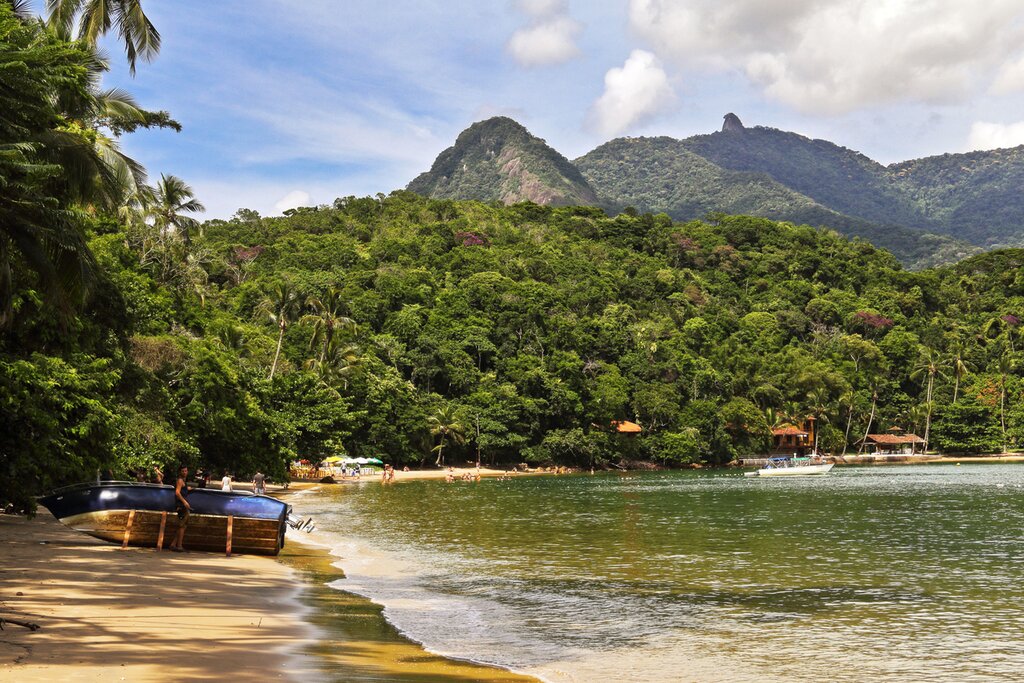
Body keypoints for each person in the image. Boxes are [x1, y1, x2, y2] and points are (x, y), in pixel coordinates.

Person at [169, 464, 191, 552]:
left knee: (183, 526)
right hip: (181, 506)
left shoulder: (184, 482)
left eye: (186, 471)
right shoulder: (180, 480)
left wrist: (187, 489)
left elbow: (182, 490)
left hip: (183, 505)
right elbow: (177, 493)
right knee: (182, 526)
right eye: (183, 471)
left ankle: (173, 544)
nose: (185, 472)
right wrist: (185, 502)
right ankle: (179, 546)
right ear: (180, 472)